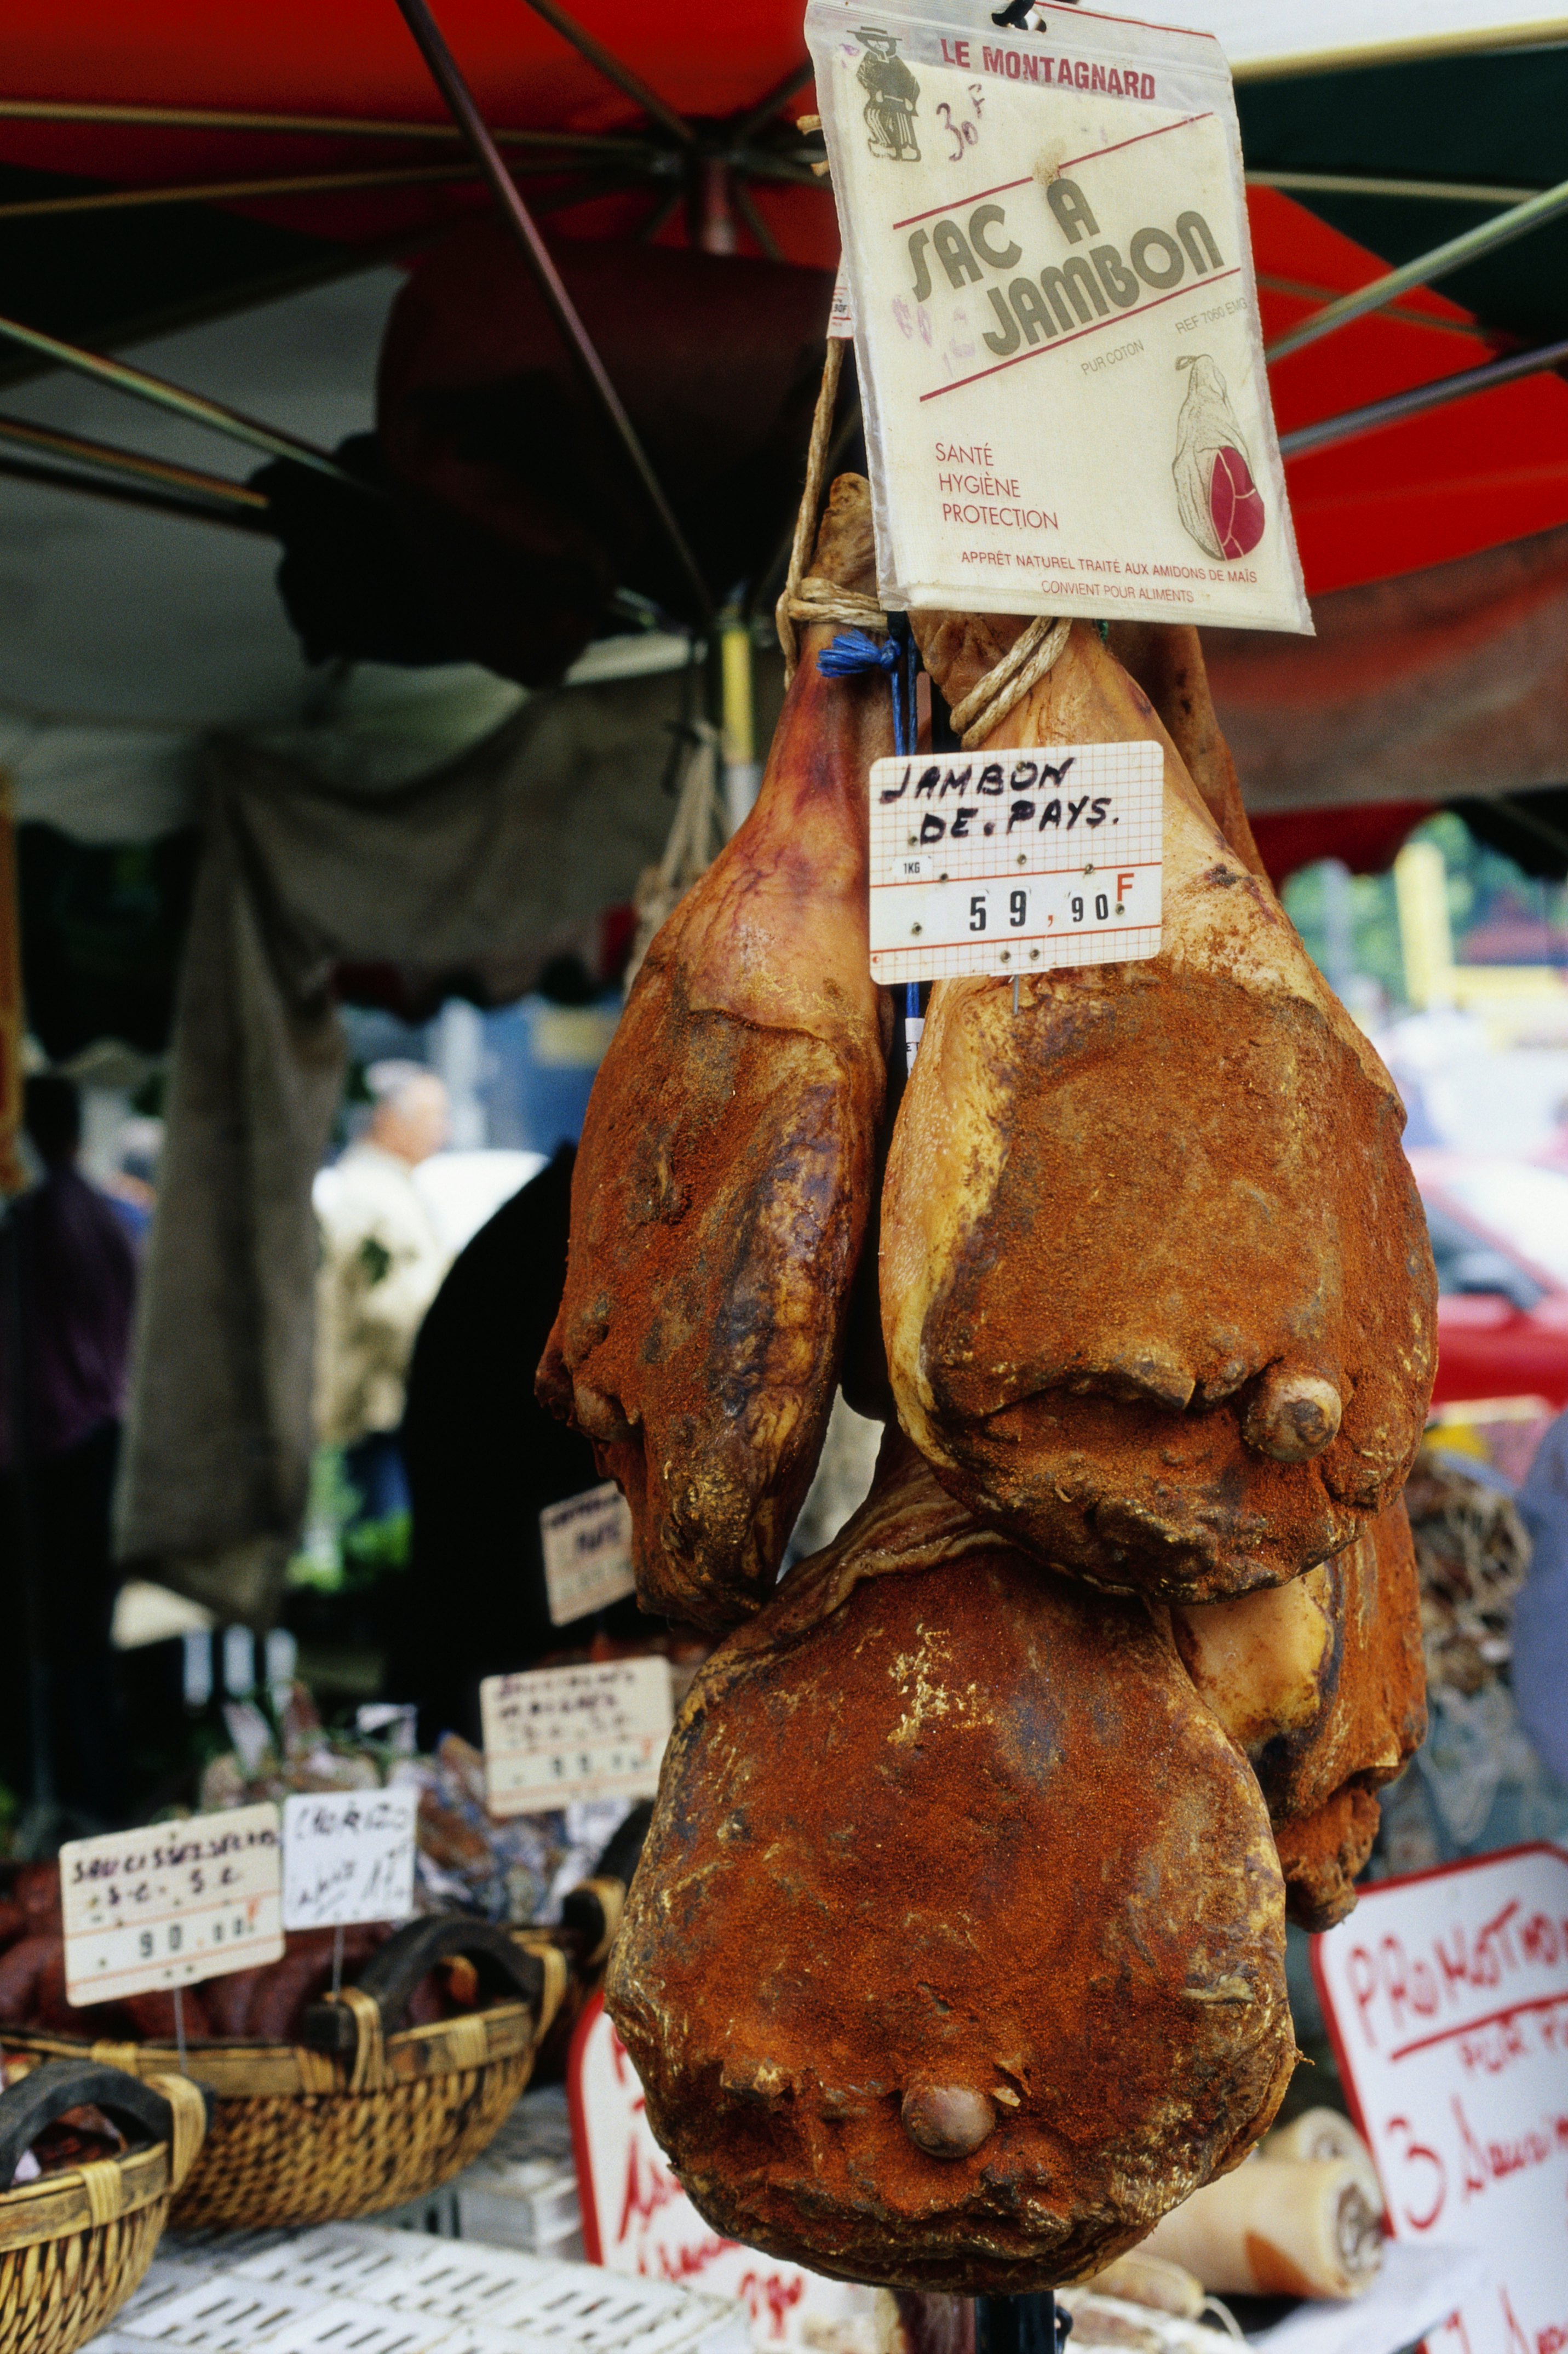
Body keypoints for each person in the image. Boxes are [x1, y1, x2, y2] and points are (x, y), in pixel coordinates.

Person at [0, 1074, 137, 1826]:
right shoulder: (101, 1214)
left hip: (50, 1462)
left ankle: (69, 1801)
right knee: (84, 1643)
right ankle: (93, 1792)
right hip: (92, 1447)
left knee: (52, 1650)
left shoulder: (35, 1222)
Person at [313, 1060, 451, 1526]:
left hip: (391, 1409)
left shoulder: (389, 1186)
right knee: (385, 1540)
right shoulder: (371, 1195)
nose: (443, 1131)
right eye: (433, 1116)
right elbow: (399, 1312)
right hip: (381, 1414)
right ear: (389, 1119)